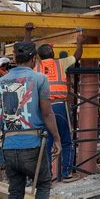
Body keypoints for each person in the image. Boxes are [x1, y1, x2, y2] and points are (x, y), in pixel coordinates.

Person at [0, 42, 61, 199]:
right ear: (33, 59)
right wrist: (57, 139)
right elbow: (47, 113)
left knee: (15, 192)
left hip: (9, 146)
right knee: (44, 184)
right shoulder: (39, 79)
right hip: (33, 145)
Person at [26, 24, 84, 182]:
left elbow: (26, 51)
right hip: (59, 106)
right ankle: (66, 174)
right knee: (66, 140)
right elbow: (78, 55)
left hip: (43, 108)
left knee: (46, 142)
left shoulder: (35, 67)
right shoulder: (61, 63)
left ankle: (47, 177)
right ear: (53, 53)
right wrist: (79, 41)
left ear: (38, 56)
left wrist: (28, 33)